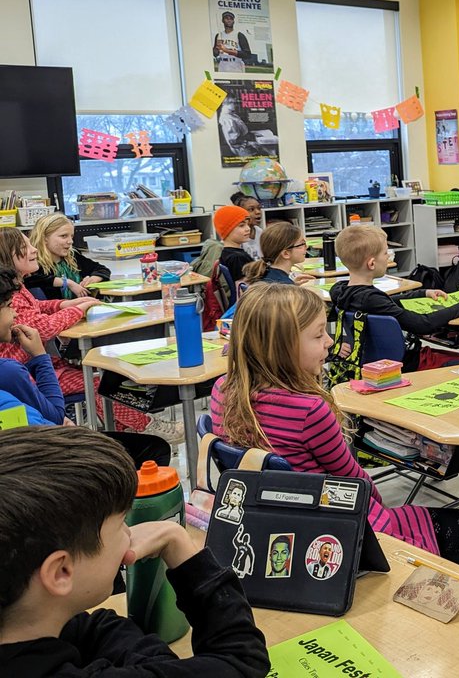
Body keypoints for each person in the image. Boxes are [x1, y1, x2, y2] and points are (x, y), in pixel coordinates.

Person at [210, 283, 459, 565]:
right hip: (335, 533)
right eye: (317, 335)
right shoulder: (309, 410)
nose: (329, 341)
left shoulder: (222, 391)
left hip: (269, 528)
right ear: (282, 347)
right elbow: (356, 480)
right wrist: (383, 509)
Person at [0, 426, 270, 677]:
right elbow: (243, 660)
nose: (129, 533)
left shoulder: (28, 622)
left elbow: (96, 626)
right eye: (120, 524)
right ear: (60, 572)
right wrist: (178, 541)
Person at [0, 230, 179, 440]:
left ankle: (129, 431)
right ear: (6, 257)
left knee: (107, 375)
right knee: (97, 383)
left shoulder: (18, 288)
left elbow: (36, 307)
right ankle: (144, 426)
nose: (33, 249)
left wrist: (62, 304)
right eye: (25, 247)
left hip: (42, 367)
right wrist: (78, 310)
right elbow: (42, 326)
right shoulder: (11, 295)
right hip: (33, 375)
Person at [327, 225, 459, 373]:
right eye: (385, 253)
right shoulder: (371, 299)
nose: (388, 257)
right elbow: (423, 324)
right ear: (372, 263)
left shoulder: (342, 292)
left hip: (373, 363)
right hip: (408, 364)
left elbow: (387, 301)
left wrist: (422, 293)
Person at [0, 268, 65, 426]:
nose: (15, 313)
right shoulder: (8, 372)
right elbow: (56, 417)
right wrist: (40, 356)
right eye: (9, 306)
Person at [26, 214, 111, 299]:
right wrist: (67, 283)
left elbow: (102, 269)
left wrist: (93, 279)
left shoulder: (72, 256)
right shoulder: (34, 263)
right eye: (63, 236)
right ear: (44, 238)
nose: (70, 241)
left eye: (71, 236)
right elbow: (31, 280)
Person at [240, 222, 313, 288]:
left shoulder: (266, 273)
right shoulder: (283, 288)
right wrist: (292, 289)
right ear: (286, 254)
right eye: (302, 244)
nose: (306, 247)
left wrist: (293, 285)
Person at [213, 205, 254, 285]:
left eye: (247, 224)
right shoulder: (237, 258)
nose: (248, 228)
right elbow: (244, 289)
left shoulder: (226, 253)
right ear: (227, 230)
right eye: (242, 225)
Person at [229, 194, 264, 260]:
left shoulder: (261, 232)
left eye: (259, 208)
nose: (258, 212)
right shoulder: (235, 236)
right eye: (251, 209)